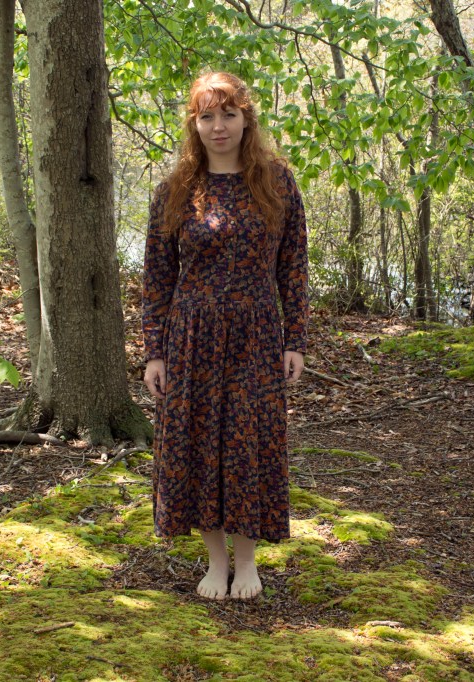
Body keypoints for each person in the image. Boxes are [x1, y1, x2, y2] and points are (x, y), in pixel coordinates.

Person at [142, 71, 309, 600]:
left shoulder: (277, 182)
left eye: (229, 115)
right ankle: (215, 563)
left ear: (246, 119)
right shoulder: (175, 191)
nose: (219, 126)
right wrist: (155, 352)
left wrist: (295, 340)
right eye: (207, 116)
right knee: (199, 445)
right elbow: (157, 278)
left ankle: (248, 561)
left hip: (257, 335)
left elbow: (294, 267)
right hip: (191, 338)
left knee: (248, 443)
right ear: (194, 123)